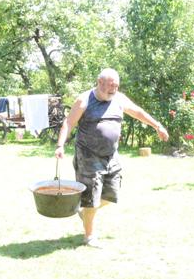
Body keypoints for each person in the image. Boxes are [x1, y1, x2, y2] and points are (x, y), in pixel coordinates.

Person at [55, 68, 169, 248]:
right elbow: (69, 123)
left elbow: (138, 112)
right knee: (91, 198)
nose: (114, 89)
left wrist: (157, 126)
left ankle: (86, 213)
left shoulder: (119, 98)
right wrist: (60, 145)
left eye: (116, 86)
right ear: (99, 82)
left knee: (111, 195)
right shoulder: (84, 100)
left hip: (111, 156)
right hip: (88, 156)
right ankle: (89, 236)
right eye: (110, 86)